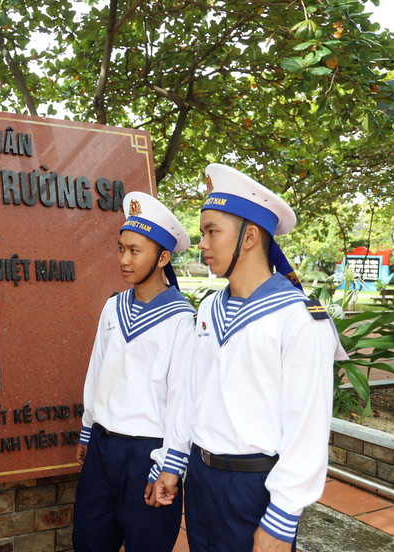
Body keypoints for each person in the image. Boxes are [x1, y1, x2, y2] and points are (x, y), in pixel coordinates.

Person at [152, 163, 346, 551]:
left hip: (254, 488)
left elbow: (307, 427)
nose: (201, 243)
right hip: (202, 480)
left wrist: (282, 518)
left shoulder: (299, 319)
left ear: (251, 236)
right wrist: (173, 462)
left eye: (212, 231)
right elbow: (192, 395)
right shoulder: (208, 309)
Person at [72, 192, 195, 552]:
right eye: (121, 248)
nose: (124, 260)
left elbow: (182, 400)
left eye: (135, 251)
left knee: (147, 543)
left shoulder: (181, 320)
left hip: (147, 453)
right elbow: (98, 371)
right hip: (102, 446)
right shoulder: (113, 308)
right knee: (89, 540)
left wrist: (168, 464)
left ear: (163, 257)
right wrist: (88, 428)